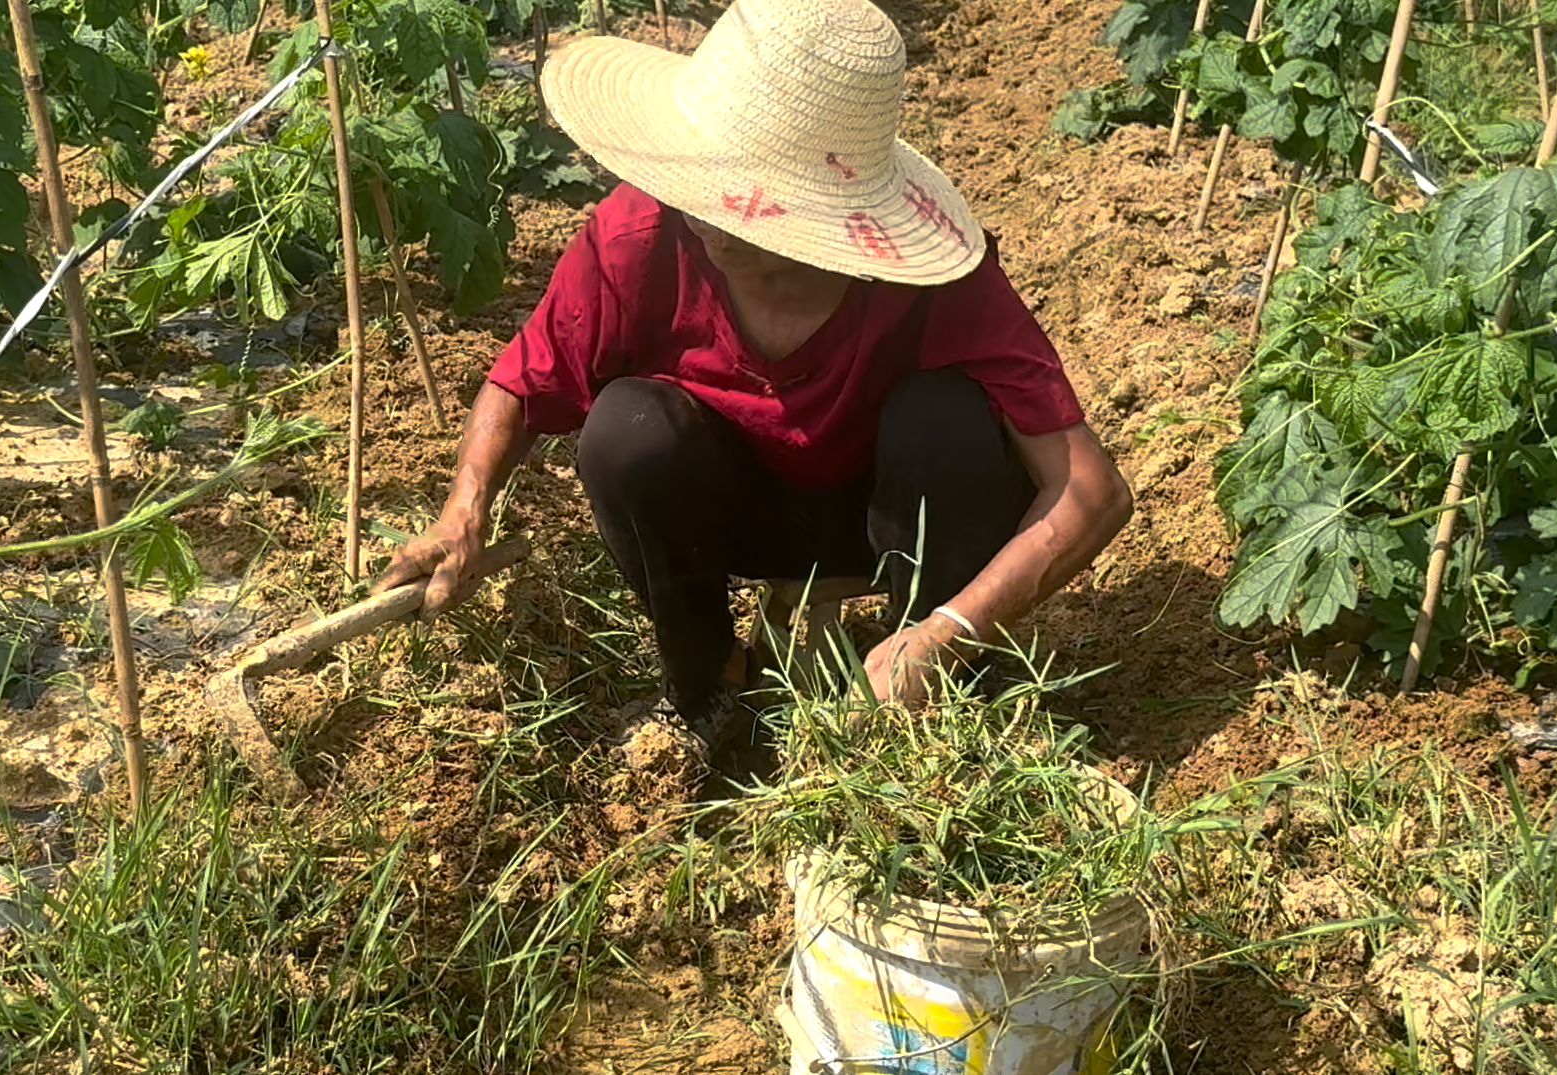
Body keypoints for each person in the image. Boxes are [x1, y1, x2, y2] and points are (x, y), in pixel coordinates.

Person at [374, 0, 1131, 747]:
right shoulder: (642, 236)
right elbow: (522, 380)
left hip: (890, 519)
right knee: (627, 428)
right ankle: (712, 686)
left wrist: (949, 631)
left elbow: (1091, 492)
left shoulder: (927, 282)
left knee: (946, 419)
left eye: (746, 197)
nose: (711, 217)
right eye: (705, 181)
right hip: (734, 520)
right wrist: (463, 513)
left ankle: (933, 693)